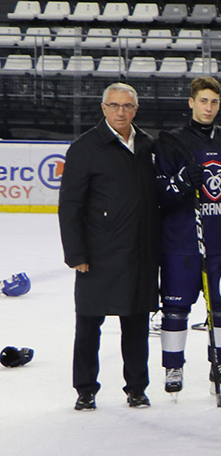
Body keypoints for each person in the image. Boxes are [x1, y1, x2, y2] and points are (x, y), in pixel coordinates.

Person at [60, 83, 161, 410]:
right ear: (103, 108)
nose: (121, 112)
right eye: (114, 105)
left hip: (139, 254)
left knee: (136, 325)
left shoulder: (147, 145)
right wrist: (76, 254)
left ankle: (136, 388)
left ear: (135, 109)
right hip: (99, 254)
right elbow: (70, 205)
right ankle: (85, 388)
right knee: (89, 324)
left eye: (127, 106)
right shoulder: (85, 147)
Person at [153, 77, 221, 399]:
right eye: (203, 101)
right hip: (181, 241)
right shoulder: (169, 141)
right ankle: (173, 366)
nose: (209, 108)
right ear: (191, 102)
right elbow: (160, 194)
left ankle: (220, 365)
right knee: (176, 309)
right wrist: (182, 182)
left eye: (214, 102)